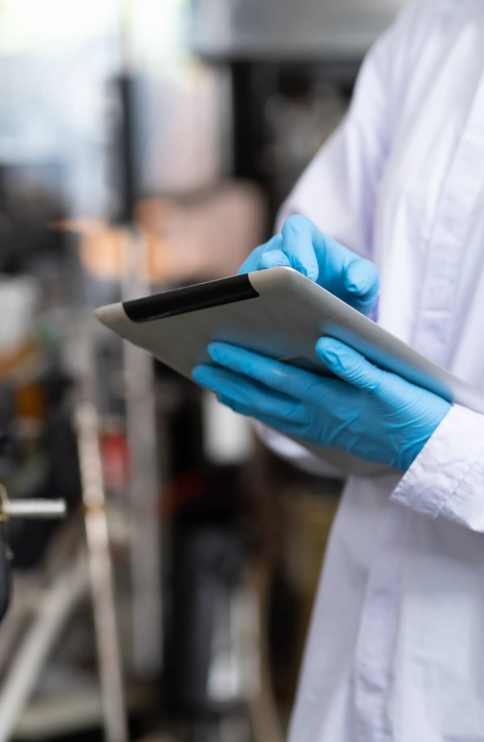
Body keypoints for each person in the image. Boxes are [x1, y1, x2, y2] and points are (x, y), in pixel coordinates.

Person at [192, 2, 484, 740]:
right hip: (358, 685)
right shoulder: (433, 33)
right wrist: (299, 318)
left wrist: (442, 453)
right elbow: (325, 258)